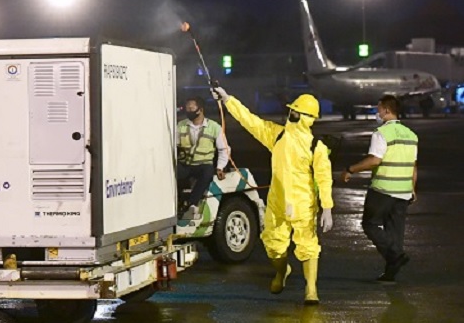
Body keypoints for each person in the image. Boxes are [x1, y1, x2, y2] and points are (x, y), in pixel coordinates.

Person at [212, 87, 333, 305]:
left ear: (307, 118)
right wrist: (228, 99)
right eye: (292, 111)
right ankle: (281, 271)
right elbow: (249, 120)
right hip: (277, 203)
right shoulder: (276, 135)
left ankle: (311, 290)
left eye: (296, 112)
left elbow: (324, 178)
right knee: (274, 247)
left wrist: (327, 207)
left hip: (304, 205)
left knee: (308, 247)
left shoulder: (317, 147)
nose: (291, 114)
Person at [341, 94, 417, 283]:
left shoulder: (381, 133)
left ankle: (395, 255)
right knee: (395, 231)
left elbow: (375, 160)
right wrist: (413, 188)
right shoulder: (411, 135)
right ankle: (391, 273)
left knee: (370, 224)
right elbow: (414, 165)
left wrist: (351, 169)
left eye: (378, 108)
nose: (377, 112)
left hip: (383, 188)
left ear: (386, 110)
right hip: (404, 190)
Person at [176, 96, 230, 219]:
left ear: (200, 109)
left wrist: (220, 167)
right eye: (187, 108)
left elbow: (224, 149)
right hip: (186, 163)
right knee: (174, 175)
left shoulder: (214, 127)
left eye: (192, 108)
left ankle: (192, 203)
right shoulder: (181, 126)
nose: (188, 110)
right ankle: (177, 203)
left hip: (203, 164)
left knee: (207, 174)